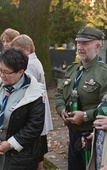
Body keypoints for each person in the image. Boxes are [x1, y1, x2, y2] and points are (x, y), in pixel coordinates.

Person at [55, 26, 107, 170]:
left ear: (97, 47)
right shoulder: (72, 69)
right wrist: (61, 109)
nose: (80, 47)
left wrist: (84, 116)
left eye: (85, 43)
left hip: (92, 136)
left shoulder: (106, 74)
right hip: (72, 134)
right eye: (78, 43)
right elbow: (59, 94)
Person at [11, 34, 53, 170]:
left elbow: (27, 91)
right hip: (37, 116)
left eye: (17, 51)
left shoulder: (30, 65)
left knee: (36, 158)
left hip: (33, 117)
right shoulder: (34, 62)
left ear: (27, 50)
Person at [0, 48, 45, 170]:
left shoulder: (34, 93)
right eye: (0, 70)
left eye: (6, 72)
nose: (2, 75)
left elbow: (35, 126)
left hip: (20, 154)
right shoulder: (1, 86)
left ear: (20, 72)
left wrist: (10, 144)